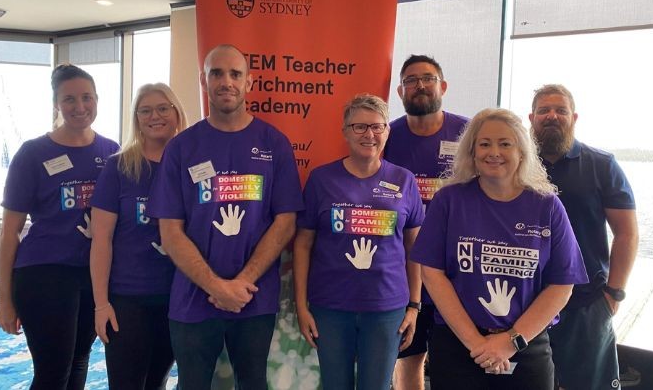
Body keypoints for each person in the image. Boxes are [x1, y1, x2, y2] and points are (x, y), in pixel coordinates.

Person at [146, 44, 303, 389]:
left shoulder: (274, 143)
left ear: (249, 81)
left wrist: (240, 283)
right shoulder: (182, 147)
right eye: (216, 73)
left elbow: (286, 222)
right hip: (192, 299)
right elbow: (170, 231)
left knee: (253, 383)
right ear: (204, 81)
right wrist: (216, 286)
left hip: (254, 296)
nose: (226, 81)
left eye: (235, 73)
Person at [411, 108, 588, 390]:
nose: (494, 152)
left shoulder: (547, 206)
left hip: (525, 346)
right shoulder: (448, 200)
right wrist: (477, 344)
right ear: (472, 152)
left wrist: (510, 342)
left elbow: (562, 285)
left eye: (505, 143)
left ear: (522, 151)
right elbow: (432, 274)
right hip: (459, 346)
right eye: (484, 144)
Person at [0, 64, 119, 389]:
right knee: (53, 373)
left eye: (86, 98)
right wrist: (4, 298)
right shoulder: (33, 154)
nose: (80, 107)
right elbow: (10, 232)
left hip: (93, 275)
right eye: (69, 99)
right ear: (56, 104)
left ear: (97, 99)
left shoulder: (112, 152)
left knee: (79, 362)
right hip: (44, 273)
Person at [294, 93, 424, 390]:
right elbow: (302, 244)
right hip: (330, 307)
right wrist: (301, 307)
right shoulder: (321, 179)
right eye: (360, 127)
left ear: (387, 131)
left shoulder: (404, 181)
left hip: (386, 309)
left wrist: (414, 306)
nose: (369, 134)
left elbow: (414, 248)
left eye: (377, 127)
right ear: (345, 132)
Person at [528, 84, 639, 390]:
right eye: (544, 110)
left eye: (560, 110)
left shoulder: (602, 165)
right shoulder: (515, 166)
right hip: (525, 303)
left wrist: (614, 293)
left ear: (574, 117)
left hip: (586, 303)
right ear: (531, 117)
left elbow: (627, 233)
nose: (552, 116)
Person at [89, 83, 189, 389]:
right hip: (127, 300)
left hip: (177, 298)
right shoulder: (119, 167)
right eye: (145, 110)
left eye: (162, 108)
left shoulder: (191, 167)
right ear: (136, 118)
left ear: (176, 113)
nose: (154, 116)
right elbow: (101, 239)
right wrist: (101, 304)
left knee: (156, 382)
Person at [384, 54, 469, 390]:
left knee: (456, 365)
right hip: (407, 271)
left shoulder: (468, 133)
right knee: (408, 361)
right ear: (400, 92)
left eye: (428, 78)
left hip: (458, 272)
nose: (419, 85)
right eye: (411, 80)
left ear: (443, 86)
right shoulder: (386, 137)